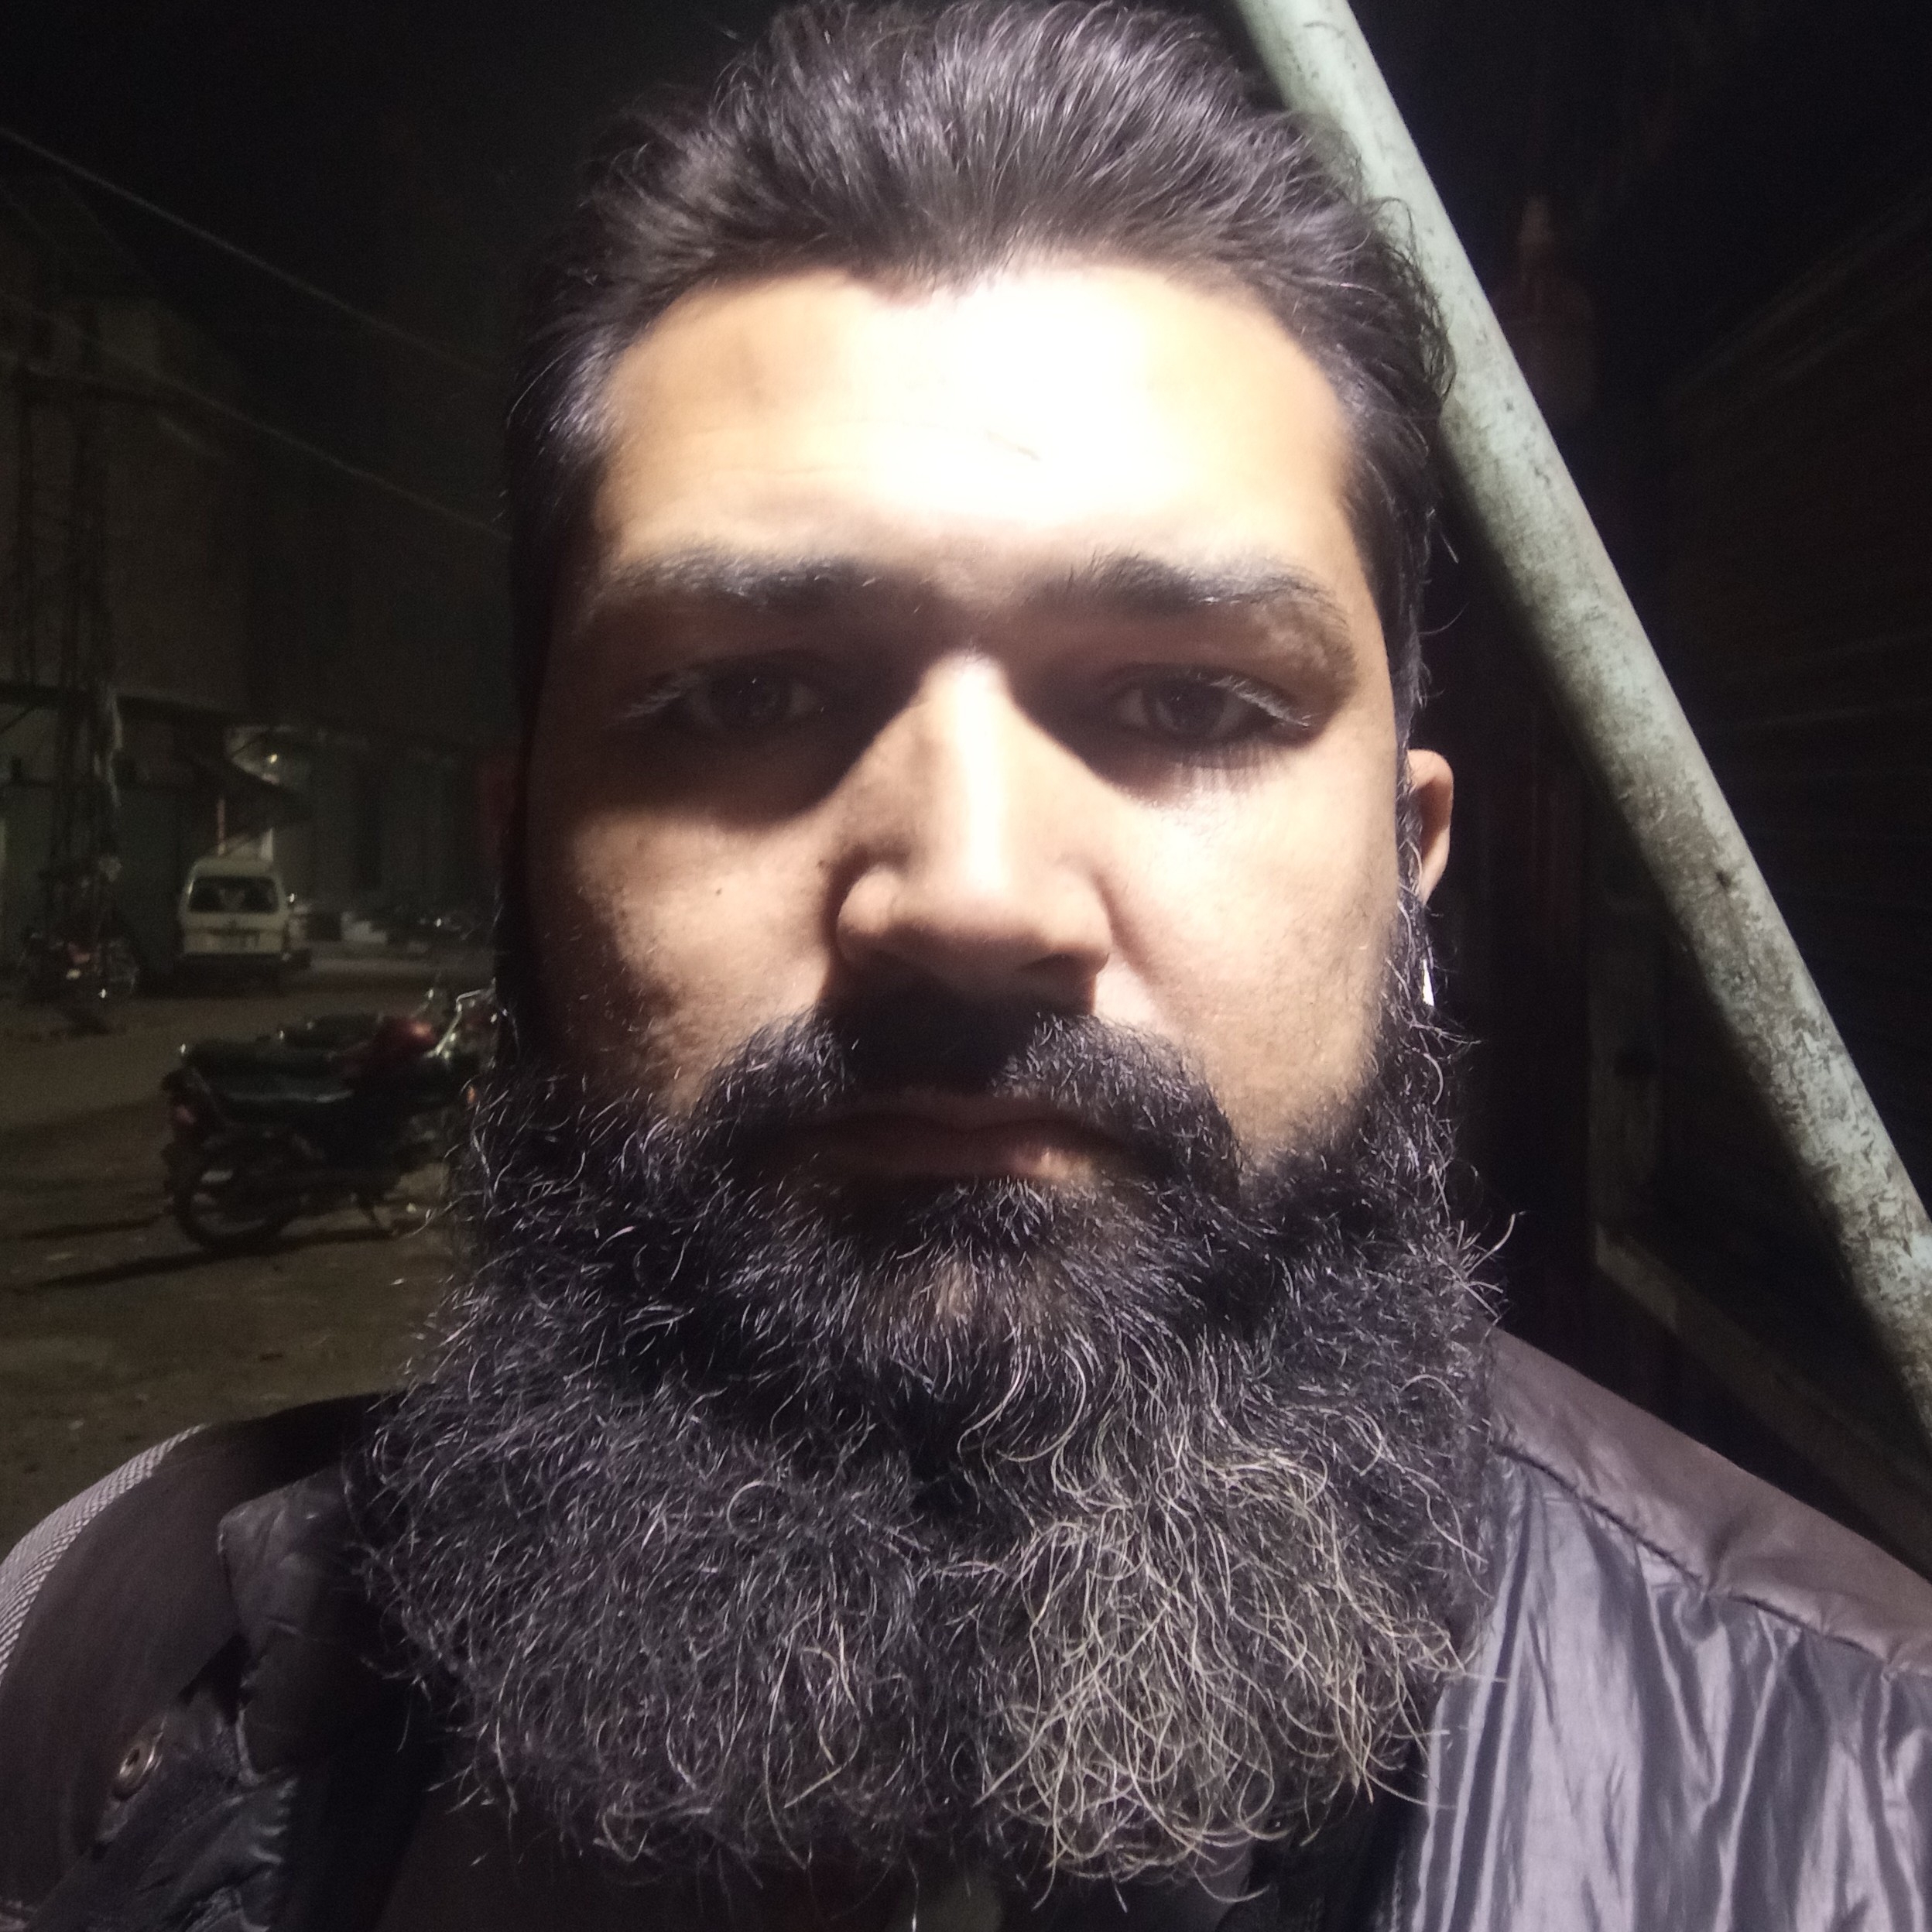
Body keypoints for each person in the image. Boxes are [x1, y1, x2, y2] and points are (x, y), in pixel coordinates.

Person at [4, 5, 1930, 1927]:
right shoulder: (106, 1686)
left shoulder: (1863, 1809)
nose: (971, 894)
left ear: (1408, 862)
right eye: (741, 696)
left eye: (1192, 701)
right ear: (516, 853)